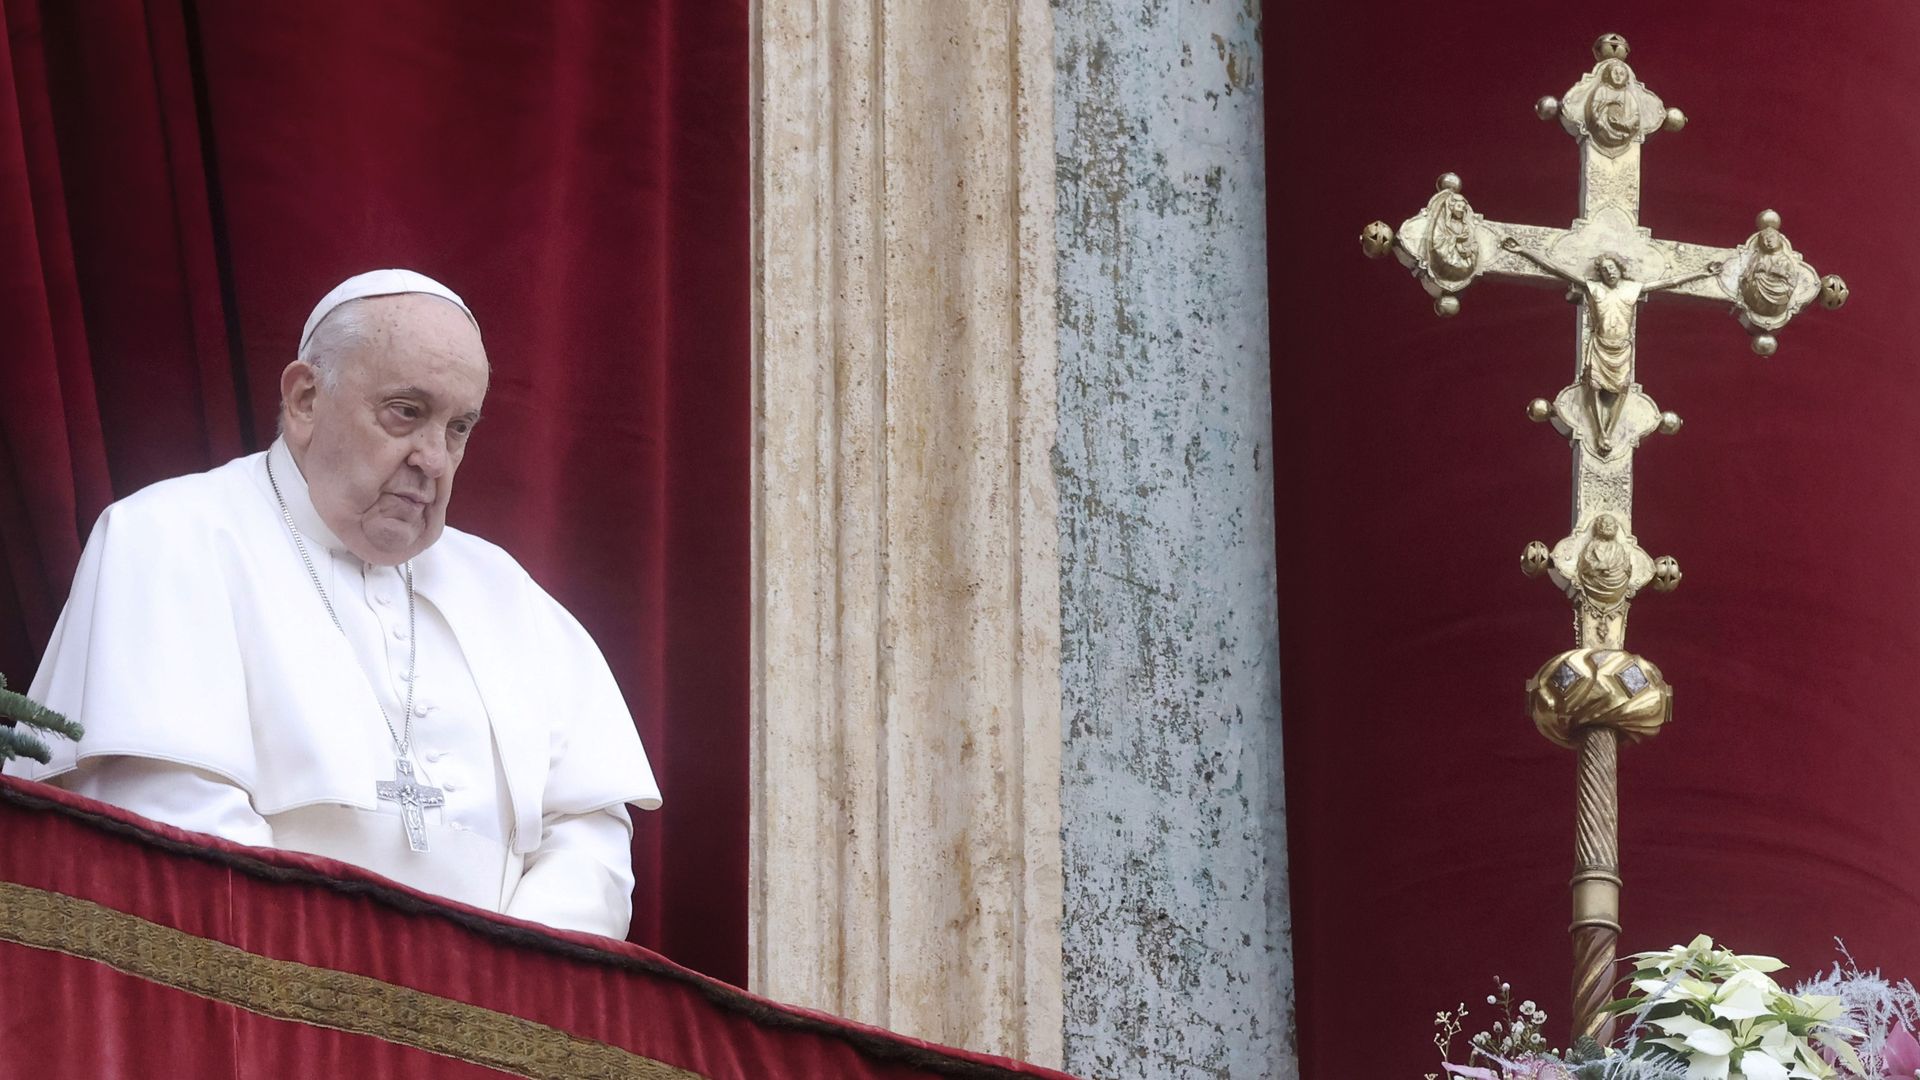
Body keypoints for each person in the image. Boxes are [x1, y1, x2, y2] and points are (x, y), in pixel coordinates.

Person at [2, 269, 660, 939]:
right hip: (266, 987)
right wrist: (356, 980)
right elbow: (169, 823)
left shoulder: (507, 594)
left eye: (458, 427)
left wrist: (503, 971)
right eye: (406, 412)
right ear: (306, 399)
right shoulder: (168, 537)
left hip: (488, 1000)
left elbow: (591, 841)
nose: (433, 459)